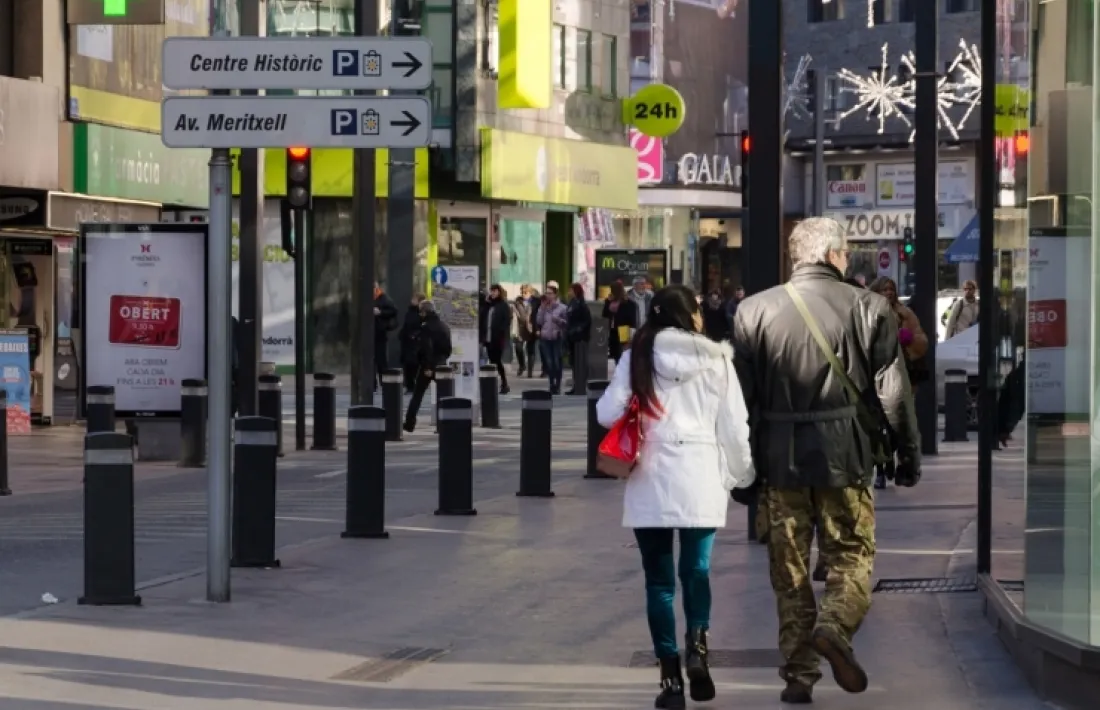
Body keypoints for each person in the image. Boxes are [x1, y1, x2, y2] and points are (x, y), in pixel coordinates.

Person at [730, 217, 921, 704]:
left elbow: (742, 404)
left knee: (789, 572)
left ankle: (799, 676)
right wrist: (908, 455)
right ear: (835, 255)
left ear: (797, 257)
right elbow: (894, 394)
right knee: (852, 558)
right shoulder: (870, 308)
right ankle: (834, 627)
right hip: (846, 459)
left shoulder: (753, 312)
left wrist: (741, 467)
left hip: (779, 463)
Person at [596, 285, 755, 709]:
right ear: (690, 316)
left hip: (652, 476)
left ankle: (670, 678)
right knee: (697, 570)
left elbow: (607, 413)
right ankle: (698, 648)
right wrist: (743, 475)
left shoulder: (638, 356)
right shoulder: (718, 358)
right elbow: (735, 427)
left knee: (659, 582)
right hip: (700, 475)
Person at [869, 277, 929, 489]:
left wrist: (909, 340)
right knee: (878, 428)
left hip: (900, 375)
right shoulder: (867, 312)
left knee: (895, 427)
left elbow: (922, 341)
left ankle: (890, 459)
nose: (888, 292)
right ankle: (881, 470)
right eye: (884, 289)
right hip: (875, 377)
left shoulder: (906, 314)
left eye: (891, 289)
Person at [403, 300, 452, 433]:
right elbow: (448, 349)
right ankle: (446, 423)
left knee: (418, 395)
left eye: (421, 311)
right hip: (441, 366)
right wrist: (441, 361)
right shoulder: (444, 327)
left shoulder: (426, 328)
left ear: (424, 312)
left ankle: (409, 423)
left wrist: (428, 366)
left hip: (427, 367)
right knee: (445, 395)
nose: (420, 314)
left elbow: (426, 348)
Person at [535, 284, 568, 394]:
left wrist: (558, 320)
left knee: (556, 362)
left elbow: (567, 323)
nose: (548, 296)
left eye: (550, 293)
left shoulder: (562, 307)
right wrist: (542, 309)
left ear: (555, 294)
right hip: (545, 337)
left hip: (557, 337)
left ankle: (557, 384)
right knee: (549, 363)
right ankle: (551, 384)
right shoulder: (543, 307)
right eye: (546, 293)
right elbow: (539, 321)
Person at [565, 283, 592, 395]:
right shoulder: (571, 303)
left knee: (580, 362)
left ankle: (581, 386)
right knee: (574, 363)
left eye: (571, 290)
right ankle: (576, 385)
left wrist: (578, 329)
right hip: (572, 337)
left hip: (580, 338)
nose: (569, 293)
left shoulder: (582, 304)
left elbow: (587, 320)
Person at [485, 284, 512, 395]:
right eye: (491, 291)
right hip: (488, 336)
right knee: (492, 361)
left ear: (499, 292)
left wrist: (502, 332)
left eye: (495, 291)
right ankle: (493, 384)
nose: (493, 293)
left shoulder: (503, 305)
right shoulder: (489, 305)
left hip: (498, 337)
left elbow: (507, 320)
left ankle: (504, 383)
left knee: (497, 360)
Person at [604, 280, 639, 364]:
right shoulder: (610, 301)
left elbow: (632, 320)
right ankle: (618, 367)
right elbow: (604, 314)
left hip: (624, 329)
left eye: (613, 290)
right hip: (612, 330)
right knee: (615, 352)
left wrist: (631, 332)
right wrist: (608, 302)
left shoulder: (628, 303)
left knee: (622, 352)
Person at [373, 282, 398, 389]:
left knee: (381, 359)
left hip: (379, 332)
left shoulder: (384, 298)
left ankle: (384, 382)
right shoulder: (367, 298)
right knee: (370, 360)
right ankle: (372, 384)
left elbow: (393, 311)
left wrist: (380, 312)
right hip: (369, 333)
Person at [399, 294, 424, 392]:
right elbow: (406, 326)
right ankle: (409, 385)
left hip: (415, 343)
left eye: (414, 299)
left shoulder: (421, 313)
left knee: (414, 364)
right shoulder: (410, 312)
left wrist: (415, 335)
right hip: (407, 342)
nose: (412, 300)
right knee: (407, 364)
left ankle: (413, 385)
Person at [511, 293, 533, 378]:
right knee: (518, 348)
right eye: (523, 292)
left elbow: (526, 317)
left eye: (526, 292)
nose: (524, 294)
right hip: (519, 329)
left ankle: (530, 371)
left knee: (530, 350)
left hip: (529, 328)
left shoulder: (531, 303)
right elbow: (518, 317)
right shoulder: (517, 303)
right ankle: (522, 365)